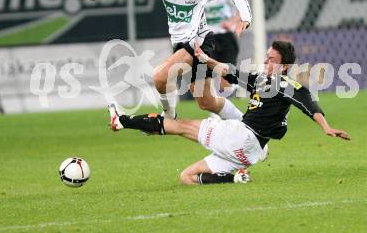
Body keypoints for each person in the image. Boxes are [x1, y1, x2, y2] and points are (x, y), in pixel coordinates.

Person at [107, 40, 351, 185]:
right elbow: (230, 71)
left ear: (285, 66)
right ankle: (234, 178)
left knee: (178, 125)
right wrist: (205, 58)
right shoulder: (262, 79)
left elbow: (307, 102)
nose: (267, 63)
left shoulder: (285, 83)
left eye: (272, 60)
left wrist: (326, 127)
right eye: (266, 58)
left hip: (241, 136)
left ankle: (122, 121)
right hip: (248, 153)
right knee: (187, 177)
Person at [76, 0, 251, 121]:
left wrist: (245, 16)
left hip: (198, 43)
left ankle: (169, 117)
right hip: (180, 44)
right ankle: (245, 124)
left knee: (160, 77)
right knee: (207, 102)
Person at [195, 0, 240, 100]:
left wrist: (232, 23)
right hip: (207, 39)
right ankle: (215, 113)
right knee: (206, 77)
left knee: (225, 81)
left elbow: (240, 12)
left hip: (226, 38)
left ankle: (232, 86)